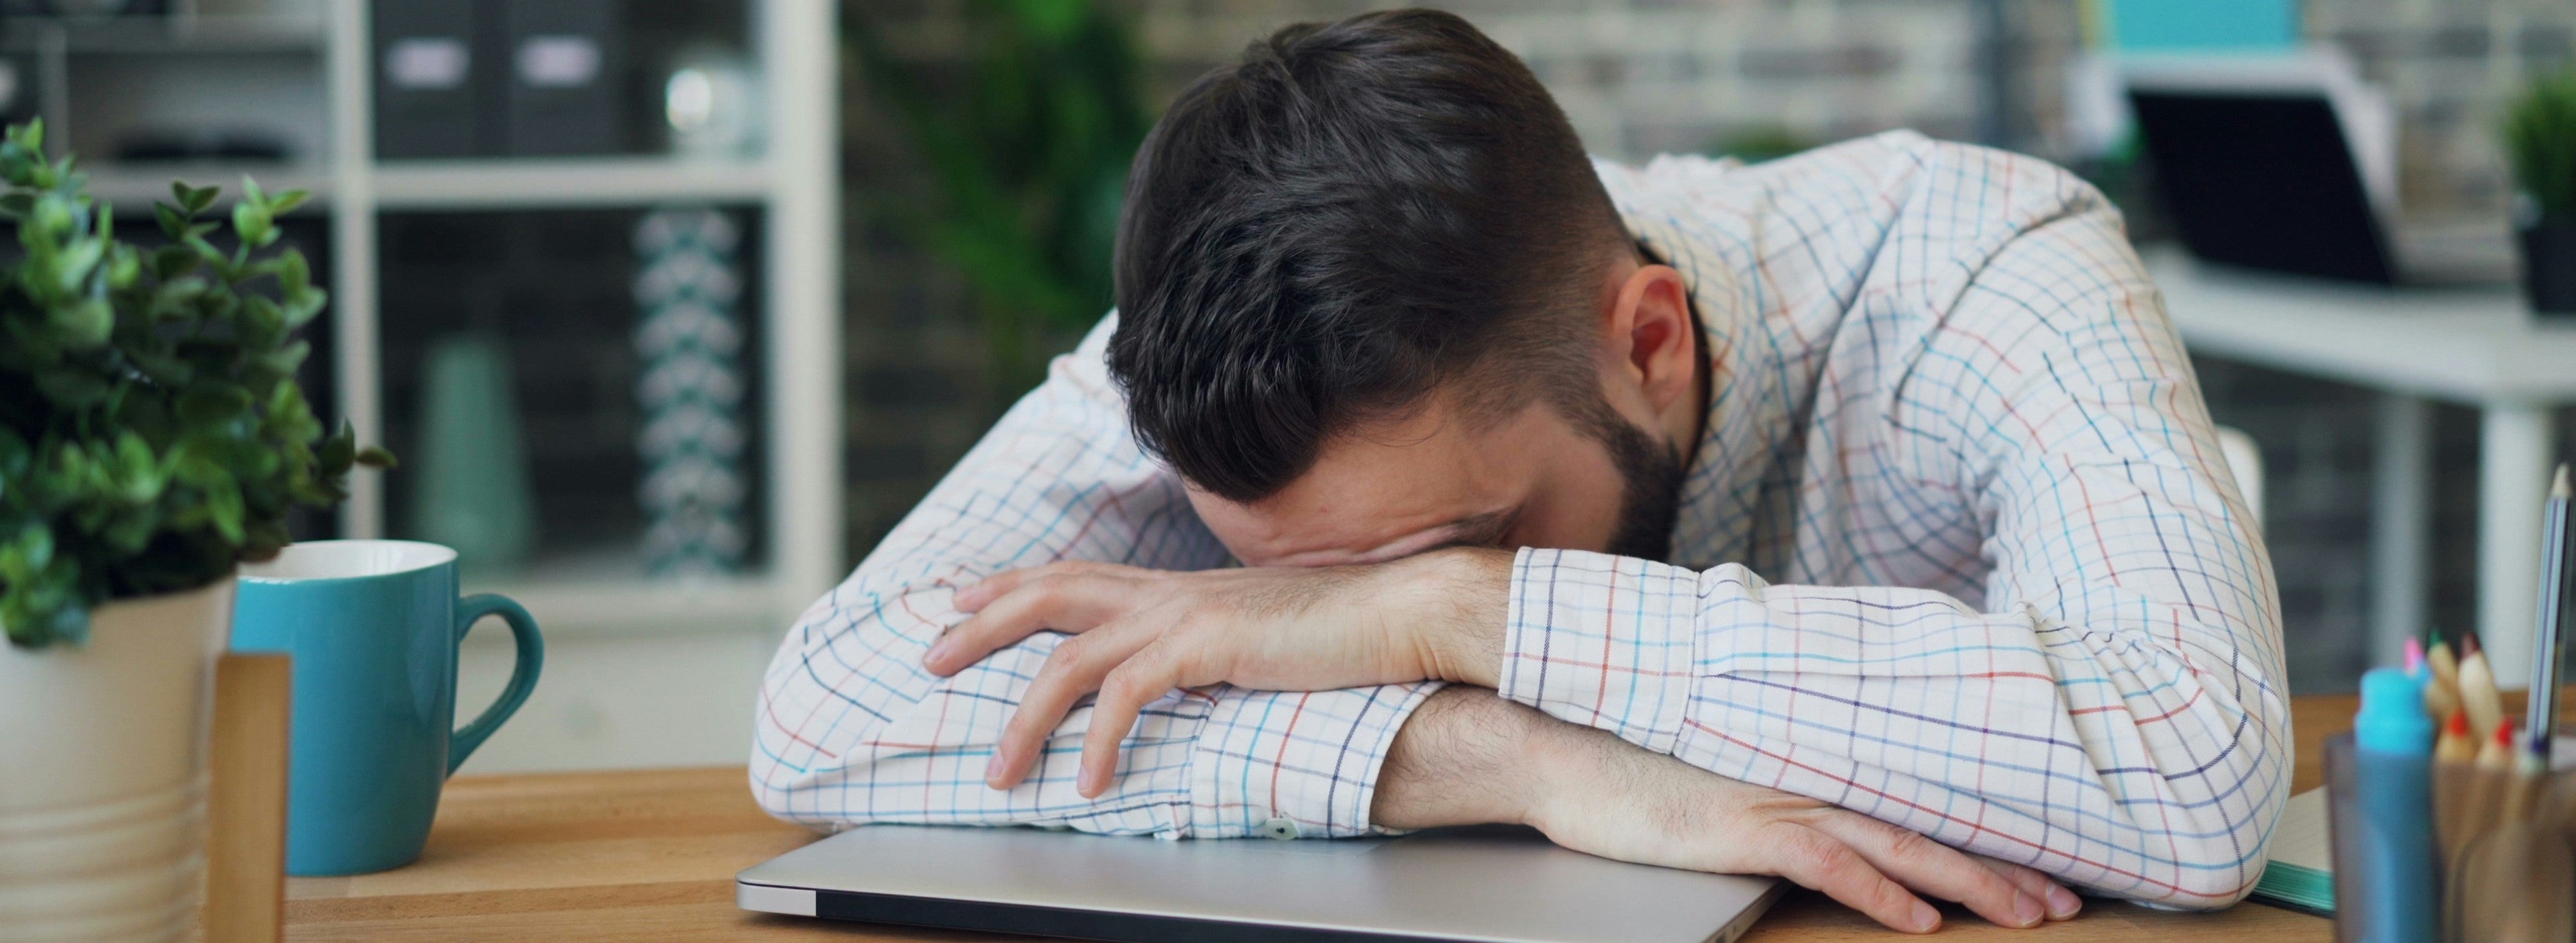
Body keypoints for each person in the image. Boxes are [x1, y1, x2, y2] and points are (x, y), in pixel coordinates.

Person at [752, 9, 2286, 934]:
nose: (1333, 622)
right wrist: (1503, 757)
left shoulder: (1983, 264)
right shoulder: (1211, 343)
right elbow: (823, 713)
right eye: (1302, 586)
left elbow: (2196, 767)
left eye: (1442, 543)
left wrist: (1457, 614)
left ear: (1651, 341)